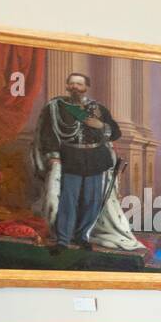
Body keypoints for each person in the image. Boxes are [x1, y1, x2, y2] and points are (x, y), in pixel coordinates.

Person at [35, 72, 121, 254]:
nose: (75, 87)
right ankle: (63, 240)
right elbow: (47, 133)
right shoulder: (56, 107)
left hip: (96, 158)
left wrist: (101, 126)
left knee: (92, 200)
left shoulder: (99, 109)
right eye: (72, 83)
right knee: (68, 200)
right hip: (70, 157)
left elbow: (116, 132)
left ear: (86, 87)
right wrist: (53, 155)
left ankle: (82, 236)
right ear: (67, 86)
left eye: (79, 84)